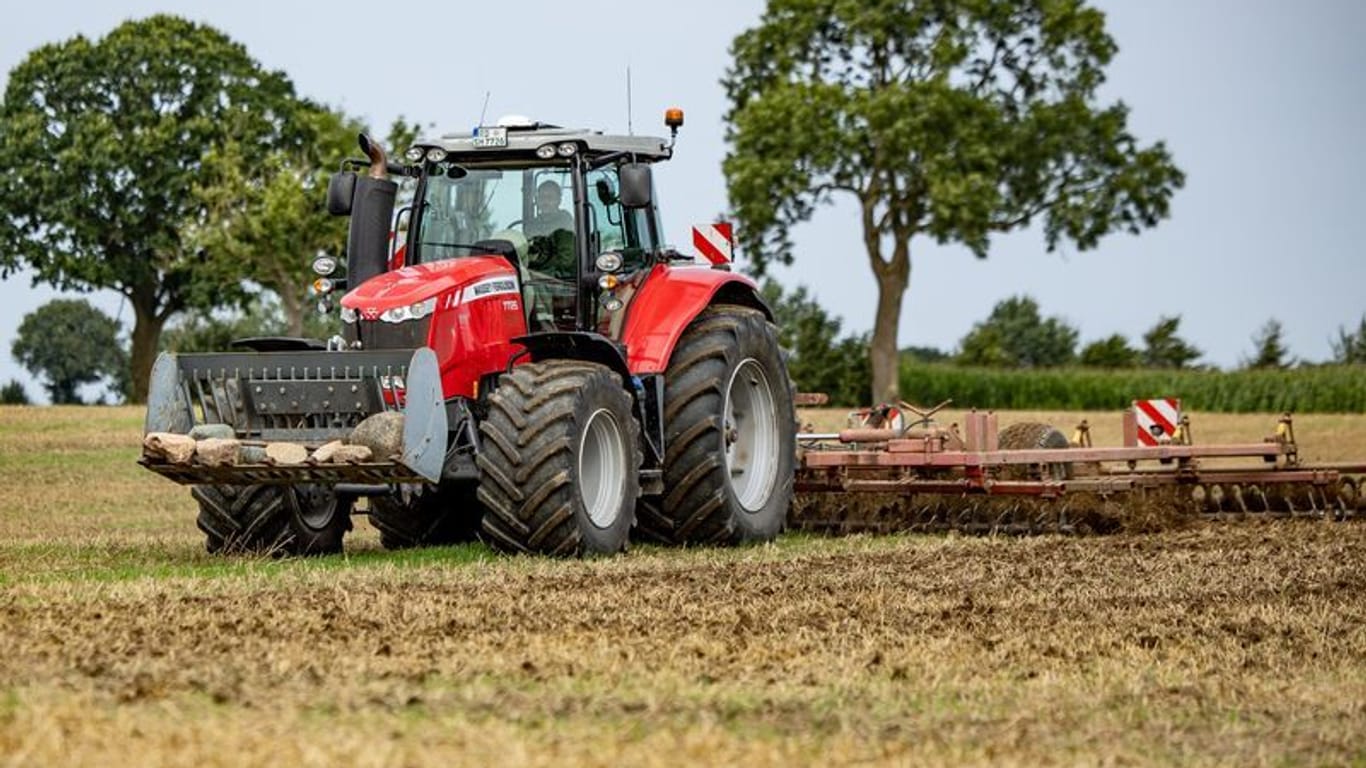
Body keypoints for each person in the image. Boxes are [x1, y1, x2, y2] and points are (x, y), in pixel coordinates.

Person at [524, 179, 576, 278]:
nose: (545, 202)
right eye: (542, 197)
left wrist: (537, 266)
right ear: (537, 200)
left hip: (562, 277)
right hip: (535, 274)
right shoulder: (532, 224)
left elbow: (566, 259)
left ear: (559, 200)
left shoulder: (564, 221)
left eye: (550, 198)